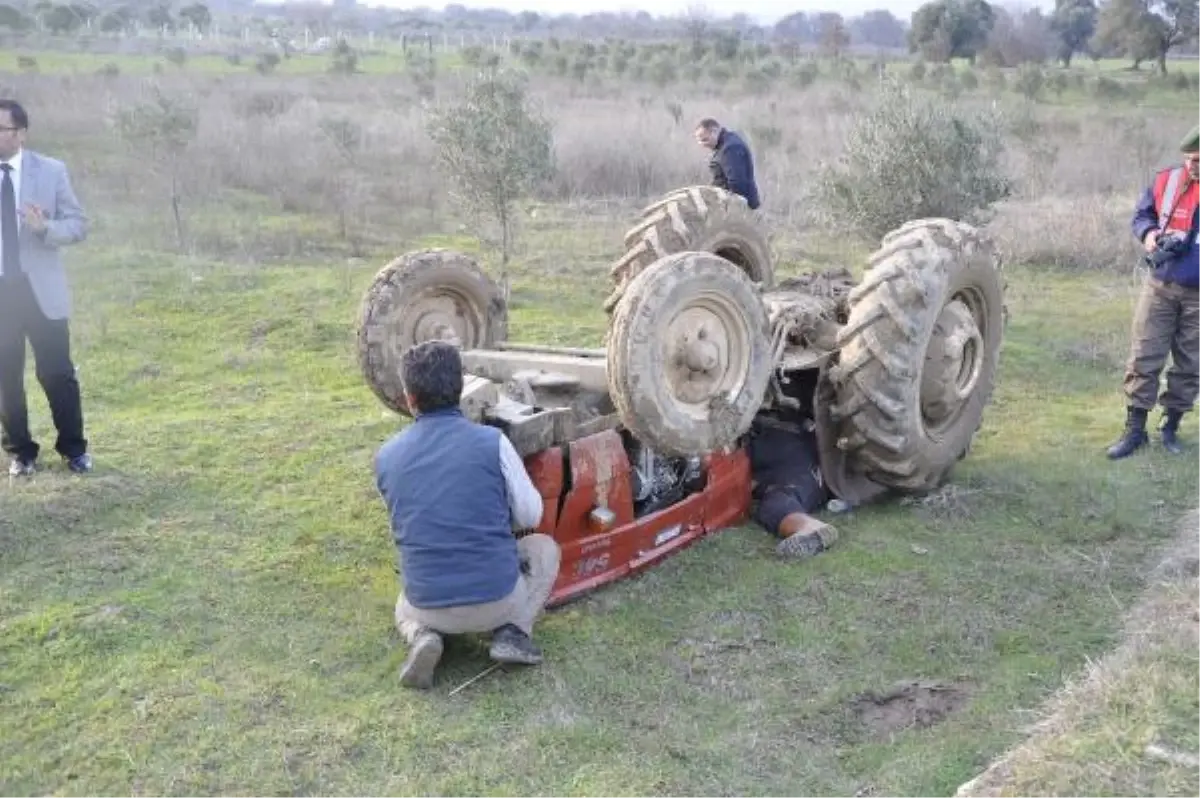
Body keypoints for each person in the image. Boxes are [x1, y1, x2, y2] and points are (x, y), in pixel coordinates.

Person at [374, 339, 562, 690]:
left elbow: (401, 523)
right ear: (461, 388)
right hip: (497, 600)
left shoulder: (385, 457)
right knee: (545, 550)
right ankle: (513, 631)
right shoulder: (494, 442)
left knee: (403, 605)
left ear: (409, 398)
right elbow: (530, 514)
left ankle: (423, 636)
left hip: (427, 601)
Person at [0, 99, 91, 477]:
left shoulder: (51, 171)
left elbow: (78, 223)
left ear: (21, 133)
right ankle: (20, 453)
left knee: (56, 372)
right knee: (5, 379)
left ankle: (74, 449)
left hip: (41, 294)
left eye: (2, 130)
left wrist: (45, 229)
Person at [1109, 123, 1200, 459]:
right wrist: (1150, 236)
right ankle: (1135, 431)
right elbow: (1141, 215)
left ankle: (1171, 428)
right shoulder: (1167, 181)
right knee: (1144, 355)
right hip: (1160, 285)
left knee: (1190, 364)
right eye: (1190, 159)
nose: (1194, 166)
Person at [746, 414, 840, 558]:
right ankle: (810, 528)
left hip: (790, 455)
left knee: (774, 503)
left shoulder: (759, 449)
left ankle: (809, 528)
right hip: (819, 466)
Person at [693, 117, 761, 210]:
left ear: (714, 131)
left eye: (705, 140)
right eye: (699, 141)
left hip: (740, 208)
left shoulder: (731, 148)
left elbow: (737, 183)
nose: (701, 144)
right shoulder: (723, 144)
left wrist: (730, 209)